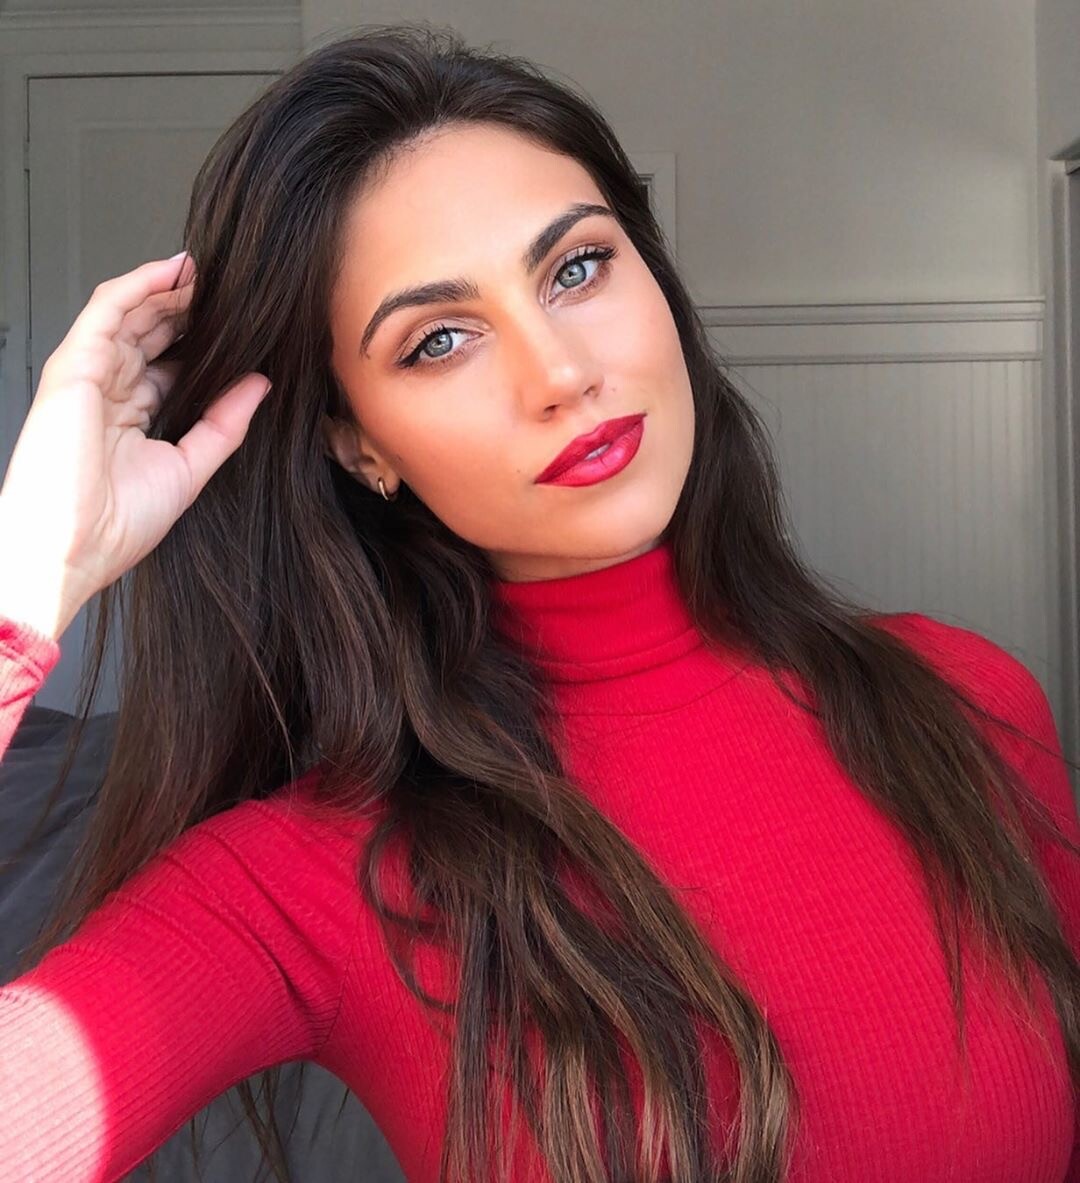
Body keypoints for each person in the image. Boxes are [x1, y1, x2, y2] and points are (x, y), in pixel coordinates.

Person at [0, 21, 1077, 1183]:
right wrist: (31, 573)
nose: (561, 372)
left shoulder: (968, 700)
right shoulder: (309, 880)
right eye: (440, 339)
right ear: (361, 445)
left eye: (576, 268)